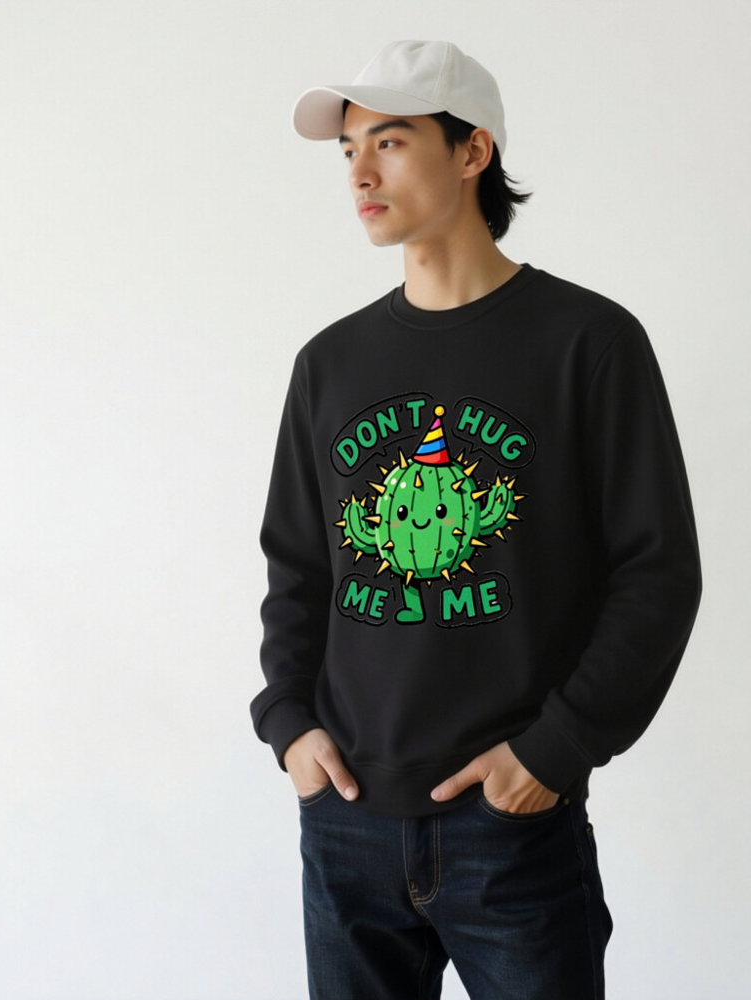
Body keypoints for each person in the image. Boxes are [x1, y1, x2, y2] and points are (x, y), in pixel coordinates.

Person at [250, 39, 702, 1000]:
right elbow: (298, 569)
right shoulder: (329, 365)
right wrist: (289, 726)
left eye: (390, 142)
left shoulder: (589, 343)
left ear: (472, 151)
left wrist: (555, 750)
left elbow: (657, 575)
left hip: (512, 829)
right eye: (348, 151)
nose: (359, 173)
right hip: (347, 820)